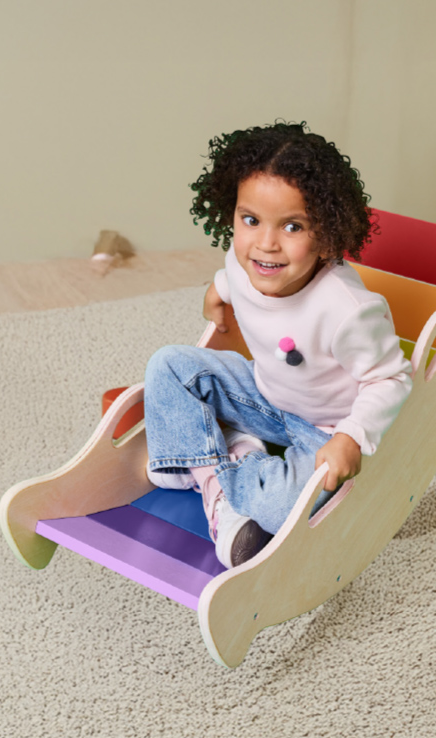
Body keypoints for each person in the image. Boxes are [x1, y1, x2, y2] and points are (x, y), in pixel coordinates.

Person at [144, 121, 413, 569]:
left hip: (325, 430)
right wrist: (217, 290)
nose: (265, 244)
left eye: (292, 226)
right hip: (266, 397)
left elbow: (392, 378)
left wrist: (351, 437)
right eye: (250, 220)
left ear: (326, 236)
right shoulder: (245, 261)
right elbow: (232, 274)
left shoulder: (346, 310)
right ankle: (233, 460)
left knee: (278, 510)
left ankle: (214, 469)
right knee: (168, 364)